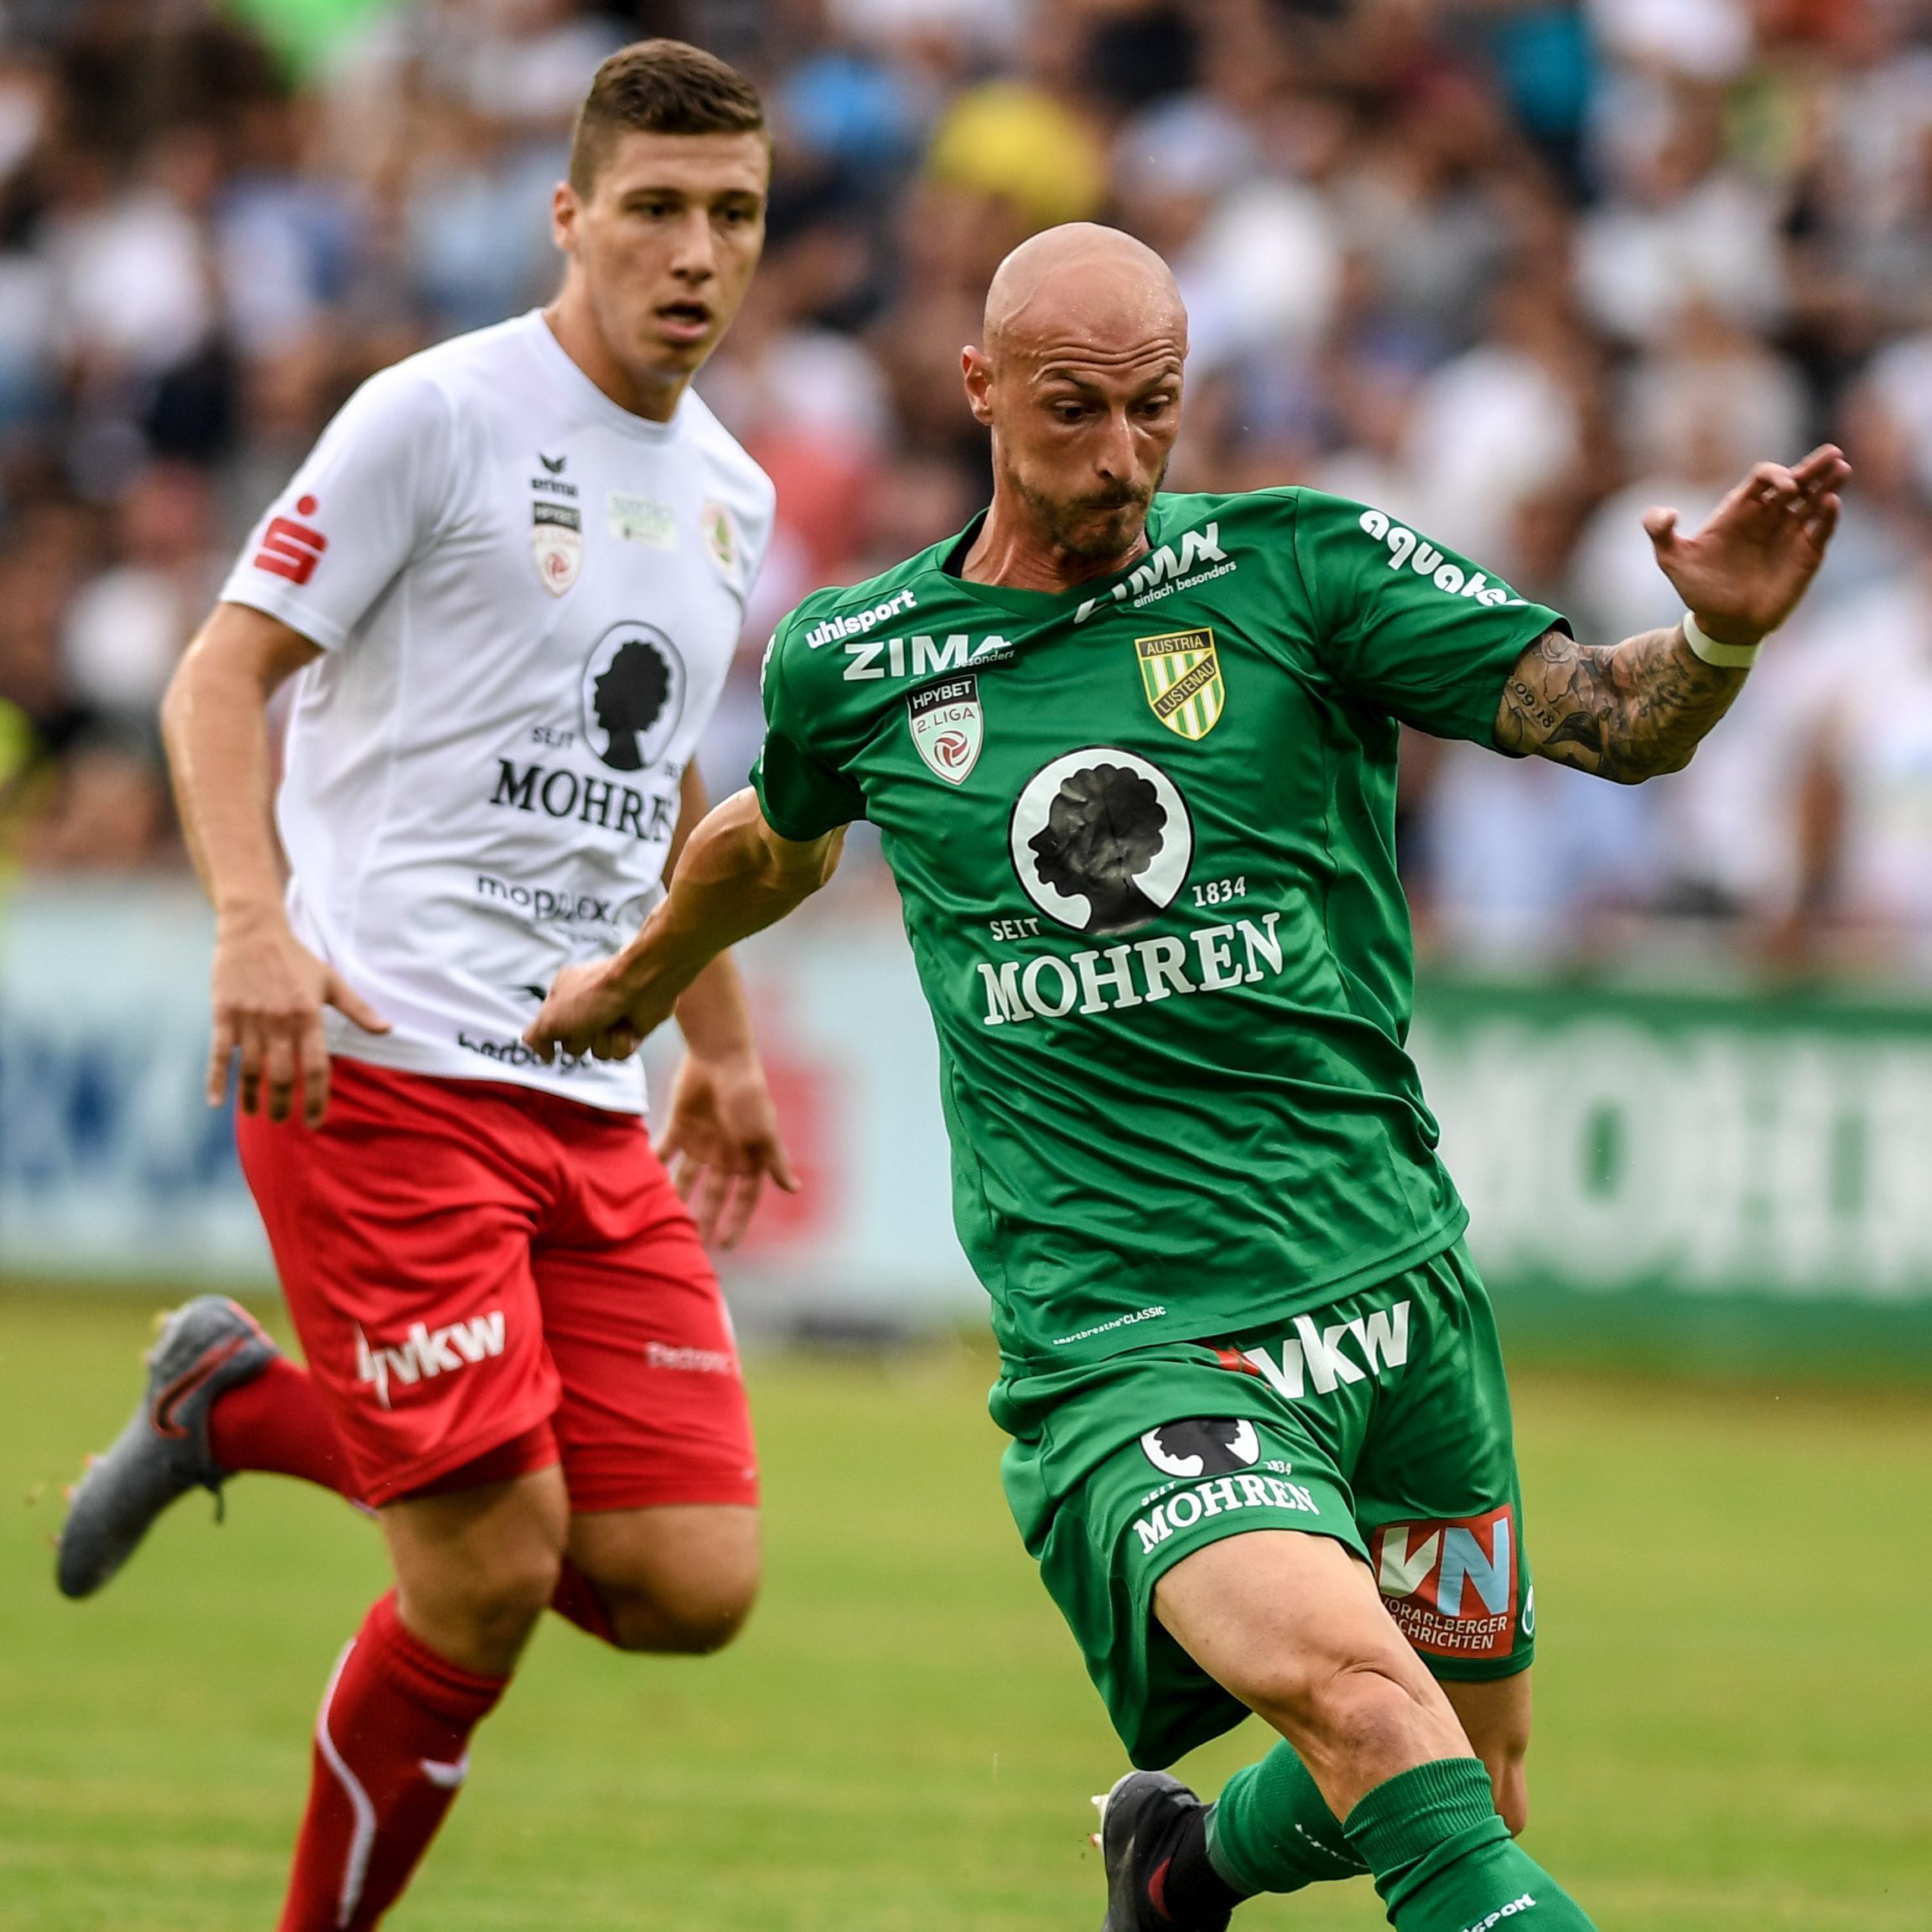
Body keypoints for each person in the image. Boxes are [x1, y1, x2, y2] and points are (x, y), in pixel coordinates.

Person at [524, 223, 1847, 1932]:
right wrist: (644, 990)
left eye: (1154, 406)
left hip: (1392, 1290)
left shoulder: (1301, 569)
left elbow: (1605, 714)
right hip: (1133, 1338)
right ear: (980, 387)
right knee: (1377, 1717)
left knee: (1473, 1764)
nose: (1122, 455)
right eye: (1075, 409)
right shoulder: (857, 659)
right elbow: (770, 846)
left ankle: (1178, 1868)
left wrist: (1716, 645)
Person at [56, 42, 793, 1932]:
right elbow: (219, 676)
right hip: (379, 1063)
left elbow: (668, 776)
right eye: (654, 209)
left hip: (585, 1087)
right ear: (569, 216)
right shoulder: (437, 415)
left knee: (692, 1582)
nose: (695, 252)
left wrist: (716, 1041)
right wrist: (251, 922)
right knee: (487, 1571)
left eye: (732, 215)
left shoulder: (730, 489)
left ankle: (236, 1404)